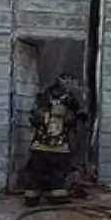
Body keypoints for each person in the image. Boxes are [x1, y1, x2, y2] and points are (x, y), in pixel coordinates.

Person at [21, 77, 82, 205]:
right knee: (56, 174)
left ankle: (32, 196)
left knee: (35, 173)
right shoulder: (68, 104)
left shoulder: (41, 103)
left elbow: (33, 119)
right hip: (59, 148)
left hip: (39, 147)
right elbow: (77, 118)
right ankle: (54, 195)